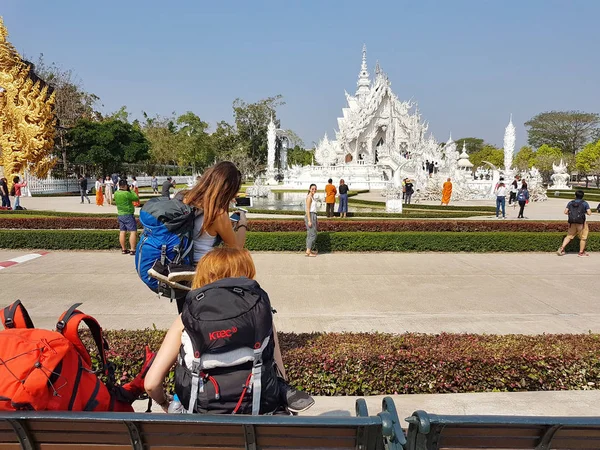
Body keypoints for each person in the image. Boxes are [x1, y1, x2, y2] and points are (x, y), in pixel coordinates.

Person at [144, 248, 314, 414]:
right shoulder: (261, 314)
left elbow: (151, 384)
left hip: (201, 423)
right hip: (259, 419)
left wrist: (164, 403)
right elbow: (279, 376)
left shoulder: (186, 318)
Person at [557, 190, 592, 257]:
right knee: (583, 237)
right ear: (582, 196)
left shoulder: (570, 202)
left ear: (575, 196)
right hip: (581, 223)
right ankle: (581, 253)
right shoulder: (585, 203)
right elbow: (589, 213)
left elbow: (565, 212)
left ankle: (562, 248)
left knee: (569, 236)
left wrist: (571, 215)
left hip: (572, 222)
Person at [114, 179, 139, 255]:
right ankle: (132, 249)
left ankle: (123, 249)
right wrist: (131, 190)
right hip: (128, 214)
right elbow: (136, 198)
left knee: (122, 232)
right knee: (133, 231)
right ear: (125, 186)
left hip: (120, 214)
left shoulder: (116, 193)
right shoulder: (127, 193)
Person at [305, 184, 318, 257]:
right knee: (313, 234)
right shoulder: (309, 197)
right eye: (312, 189)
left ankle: (308, 250)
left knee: (310, 234)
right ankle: (308, 251)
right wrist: (309, 220)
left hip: (313, 215)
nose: (314, 190)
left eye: (315, 189)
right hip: (310, 215)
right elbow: (307, 210)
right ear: (309, 189)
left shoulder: (312, 197)